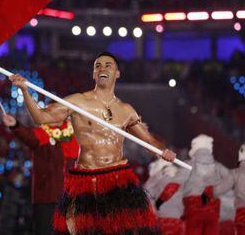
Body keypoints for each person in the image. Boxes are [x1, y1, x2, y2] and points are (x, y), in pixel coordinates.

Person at [10, 52, 176, 234]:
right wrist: (24, 91)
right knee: (81, 231)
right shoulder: (78, 101)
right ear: (94, 74)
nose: (102, 68)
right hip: (86, 178)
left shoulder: (126, 110)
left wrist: (163, 152)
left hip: (117, 177)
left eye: (108, 65)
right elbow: (41, 117)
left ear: (117, 73)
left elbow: (149, 141)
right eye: (98, 66)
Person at [2, 114, 79, 235]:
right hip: (46, 197)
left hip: (71, 198)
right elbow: (28, 136)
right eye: (50, 113)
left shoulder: (75, 134)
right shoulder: (42, 133)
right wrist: (15, 125)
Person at [144, 159, 184, 235]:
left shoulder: (156, 179)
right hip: (180, 220)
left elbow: (146, 194)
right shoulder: (180, 178)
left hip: (164, 220)